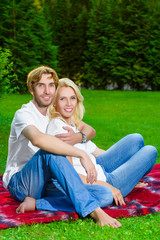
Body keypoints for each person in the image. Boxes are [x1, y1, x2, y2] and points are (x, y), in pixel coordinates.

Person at [3, 66, 123, 228]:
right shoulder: (24, 114)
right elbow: (38, 139)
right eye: (41, 85)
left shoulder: (54, 115)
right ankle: (94, 211)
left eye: (51, 85)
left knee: (104, 195)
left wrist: (80, 137)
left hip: (48, 182)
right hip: (22, 183)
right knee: (50, 150)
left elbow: (88, 129)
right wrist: (82, 154)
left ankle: (38, 203)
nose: (47, 91)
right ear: (32, 89)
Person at [47, 78, 158, 207]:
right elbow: (69, 175)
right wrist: (108, 186)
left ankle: (131, 178)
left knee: (135, 139)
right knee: (150, 151)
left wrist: (130, 171)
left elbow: (95, 145)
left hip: (99, 167)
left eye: (72, 98)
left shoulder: (70, 122)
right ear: (54, 102)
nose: (69, 104)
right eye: (62, 99)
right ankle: (127, 181)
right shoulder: (59, 130)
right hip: (103, 182)